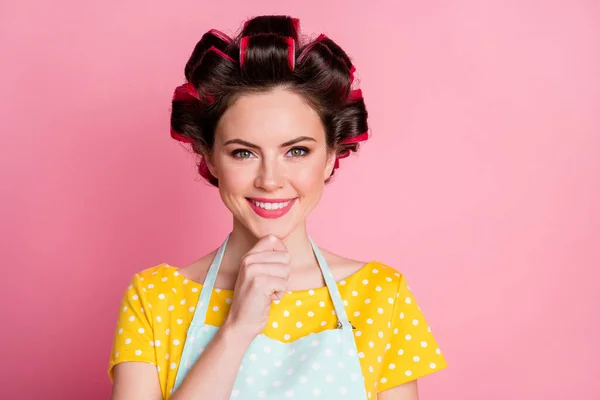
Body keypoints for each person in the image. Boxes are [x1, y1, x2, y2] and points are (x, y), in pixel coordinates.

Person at [108, 14, 447, 400]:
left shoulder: (381, 295)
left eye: (297, 151)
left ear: (332, 157)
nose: (270, 180)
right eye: (243, 152)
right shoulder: (154, 299)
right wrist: (236, 330)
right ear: (211, 158)